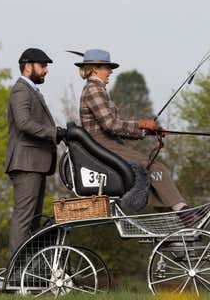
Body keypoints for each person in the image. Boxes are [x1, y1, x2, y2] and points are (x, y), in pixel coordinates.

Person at [74, 49, 187, 211]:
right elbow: (110, 125)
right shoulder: (94, 89)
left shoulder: (96, 89)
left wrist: (146, 132)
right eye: (107, 68)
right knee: (156, 168)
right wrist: (142, 124)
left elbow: (115, 127)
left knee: (154, 169)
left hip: (107, 142)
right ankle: (183, 212)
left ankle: (172, 212)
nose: (110, 71)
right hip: (102, 144)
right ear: (95, 69)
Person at [5, 48, 66, 257]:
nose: (46, 71)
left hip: (35, 163)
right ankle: (15, 273)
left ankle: (26, 273)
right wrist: (54, 133)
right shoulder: (21, 90)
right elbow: (24, 123)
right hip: (26, 163)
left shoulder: (31, 90)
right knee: (24, 218)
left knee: (32, 220)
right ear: (28, 66)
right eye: (43, 66)